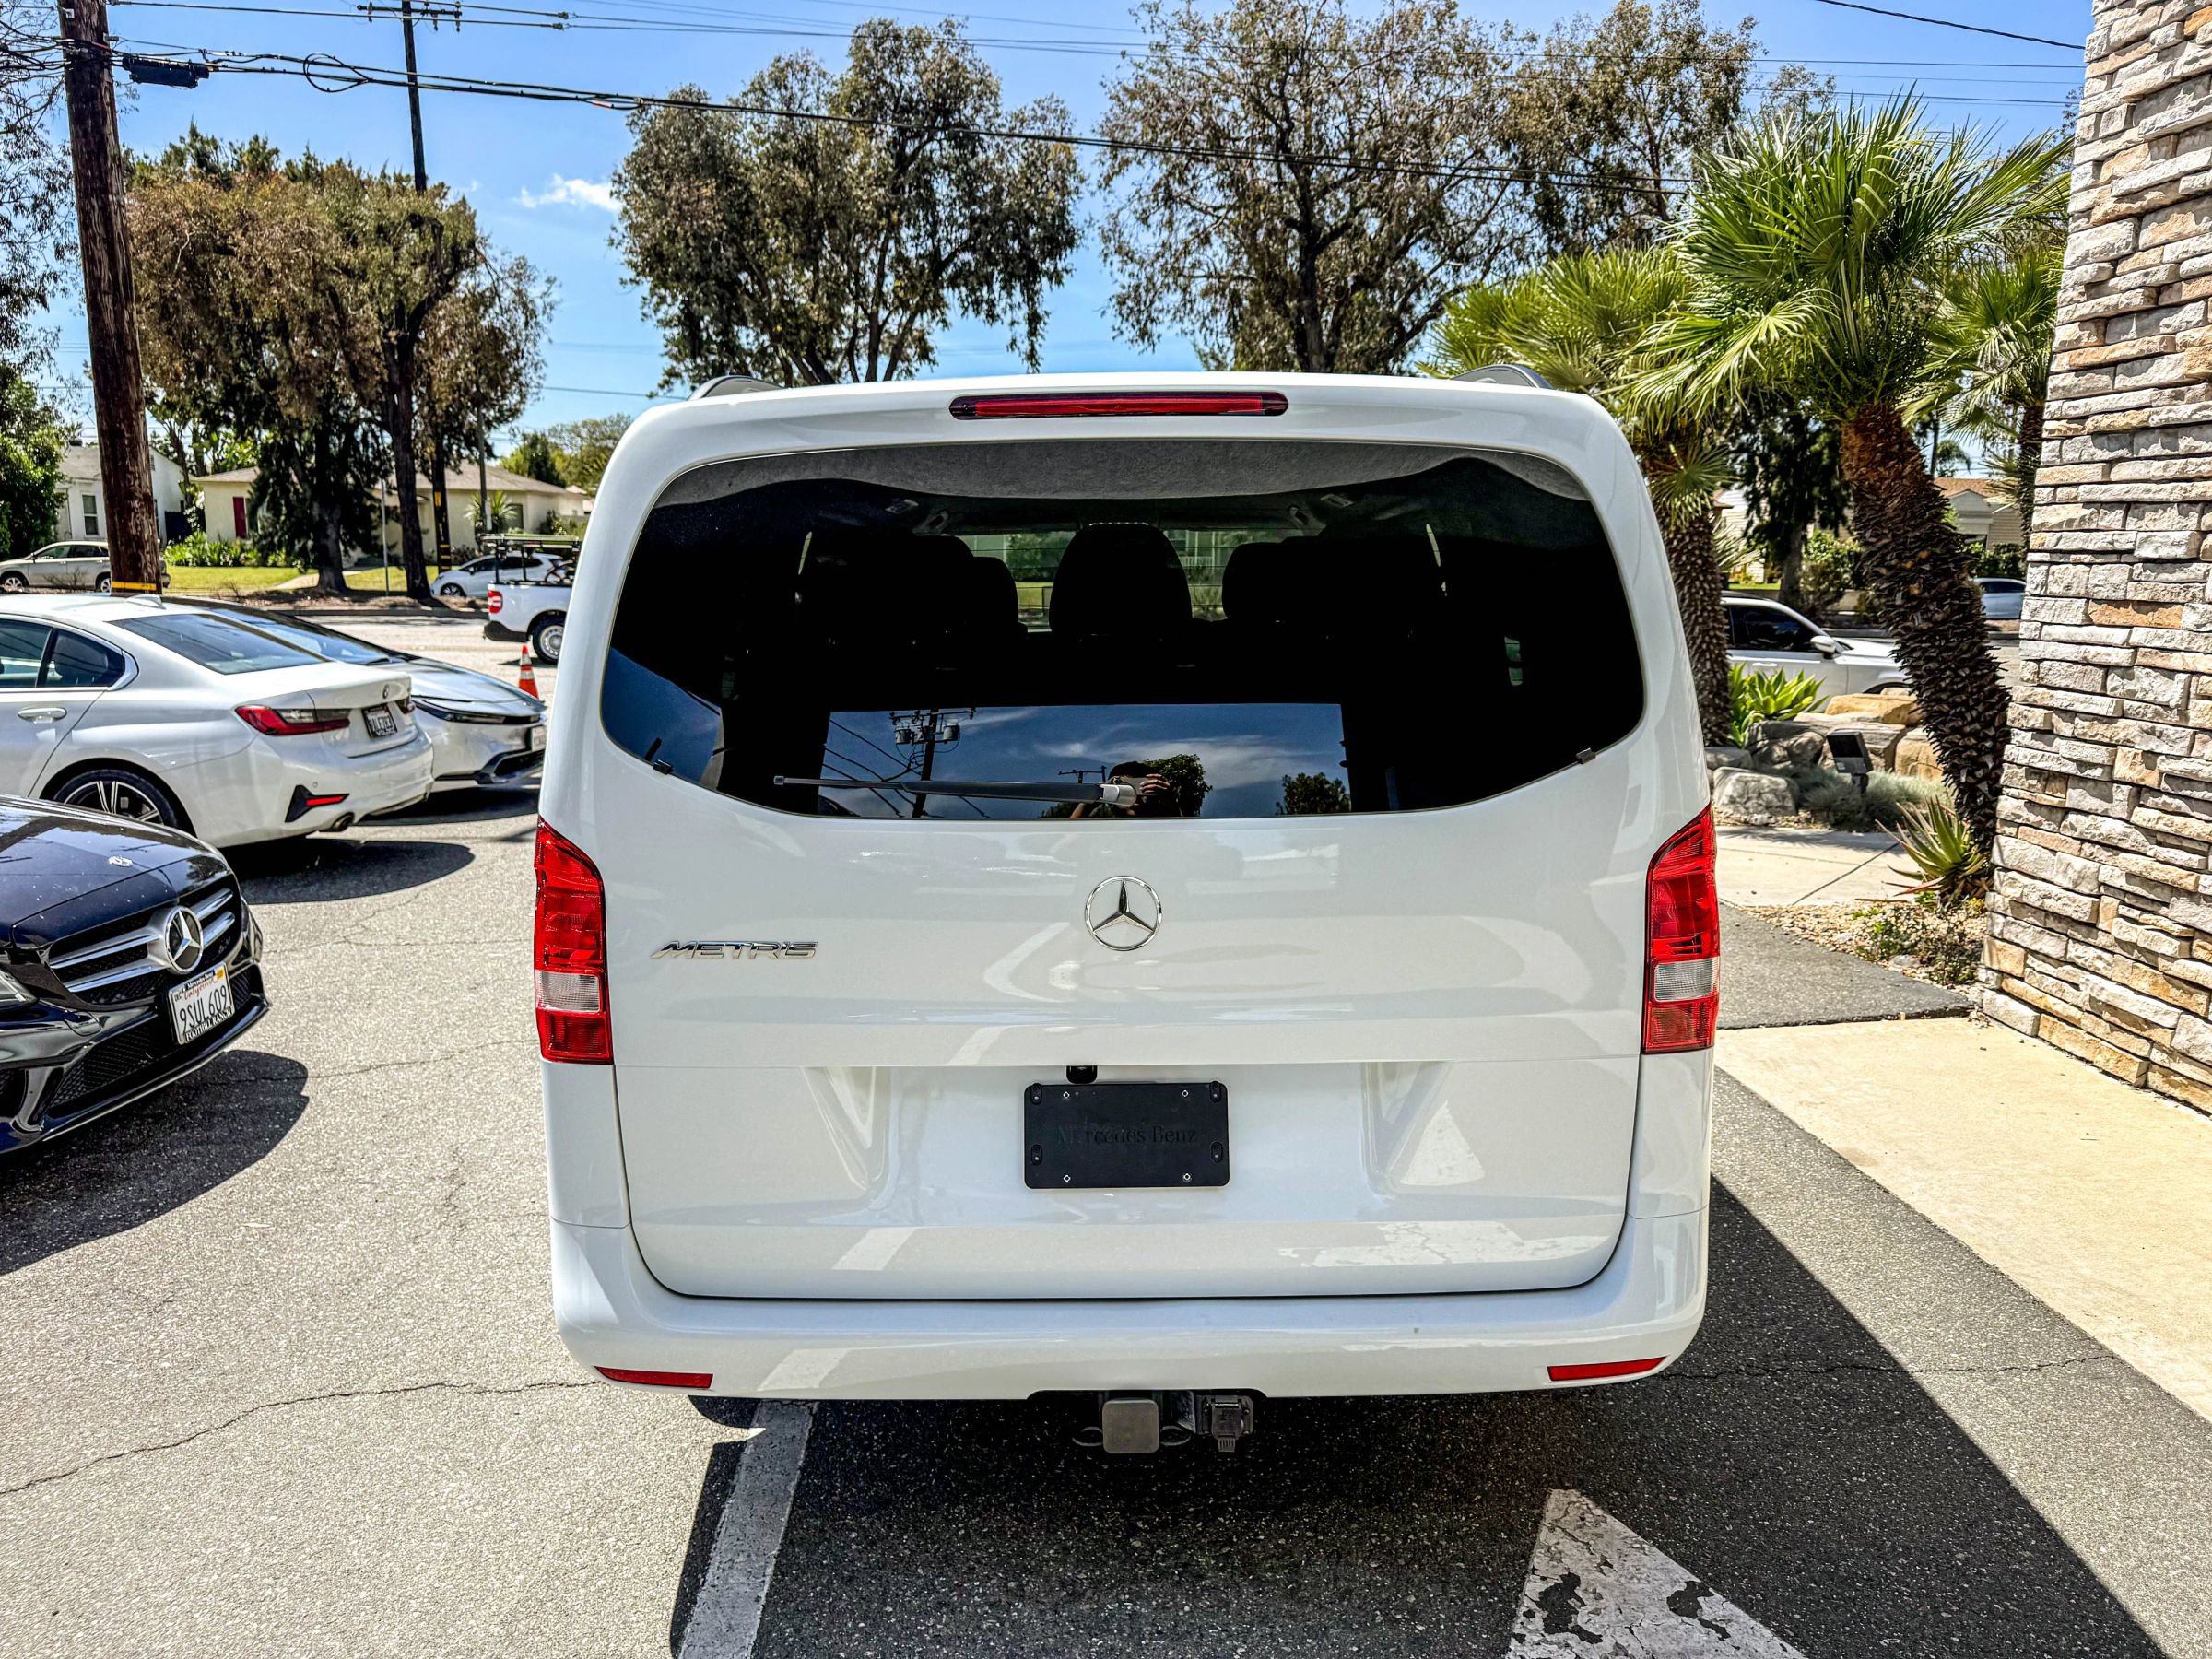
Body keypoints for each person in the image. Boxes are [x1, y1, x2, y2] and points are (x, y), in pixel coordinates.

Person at [1071, 759, 1179, 818]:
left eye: (1142, 787)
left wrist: (1170, 804)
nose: (1135, 798)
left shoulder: (1164, 829)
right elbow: (1067, 842)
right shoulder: (1099, 834)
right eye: (1126, 789)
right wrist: (1091, 799)